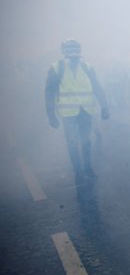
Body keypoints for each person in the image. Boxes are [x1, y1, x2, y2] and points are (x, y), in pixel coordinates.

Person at [45, 38, 110, 184]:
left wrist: (105, 106)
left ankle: (87, 168)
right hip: (68, 114)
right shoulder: (57, 68)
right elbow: (49, 92)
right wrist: (51, 114)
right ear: (65, 55)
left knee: (86, 141)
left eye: (76, 56)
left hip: (86, 110)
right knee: (72, 142)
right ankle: (78, 172)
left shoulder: (87, 66)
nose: (74, 59)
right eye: (71, 56)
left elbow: (96, 86)